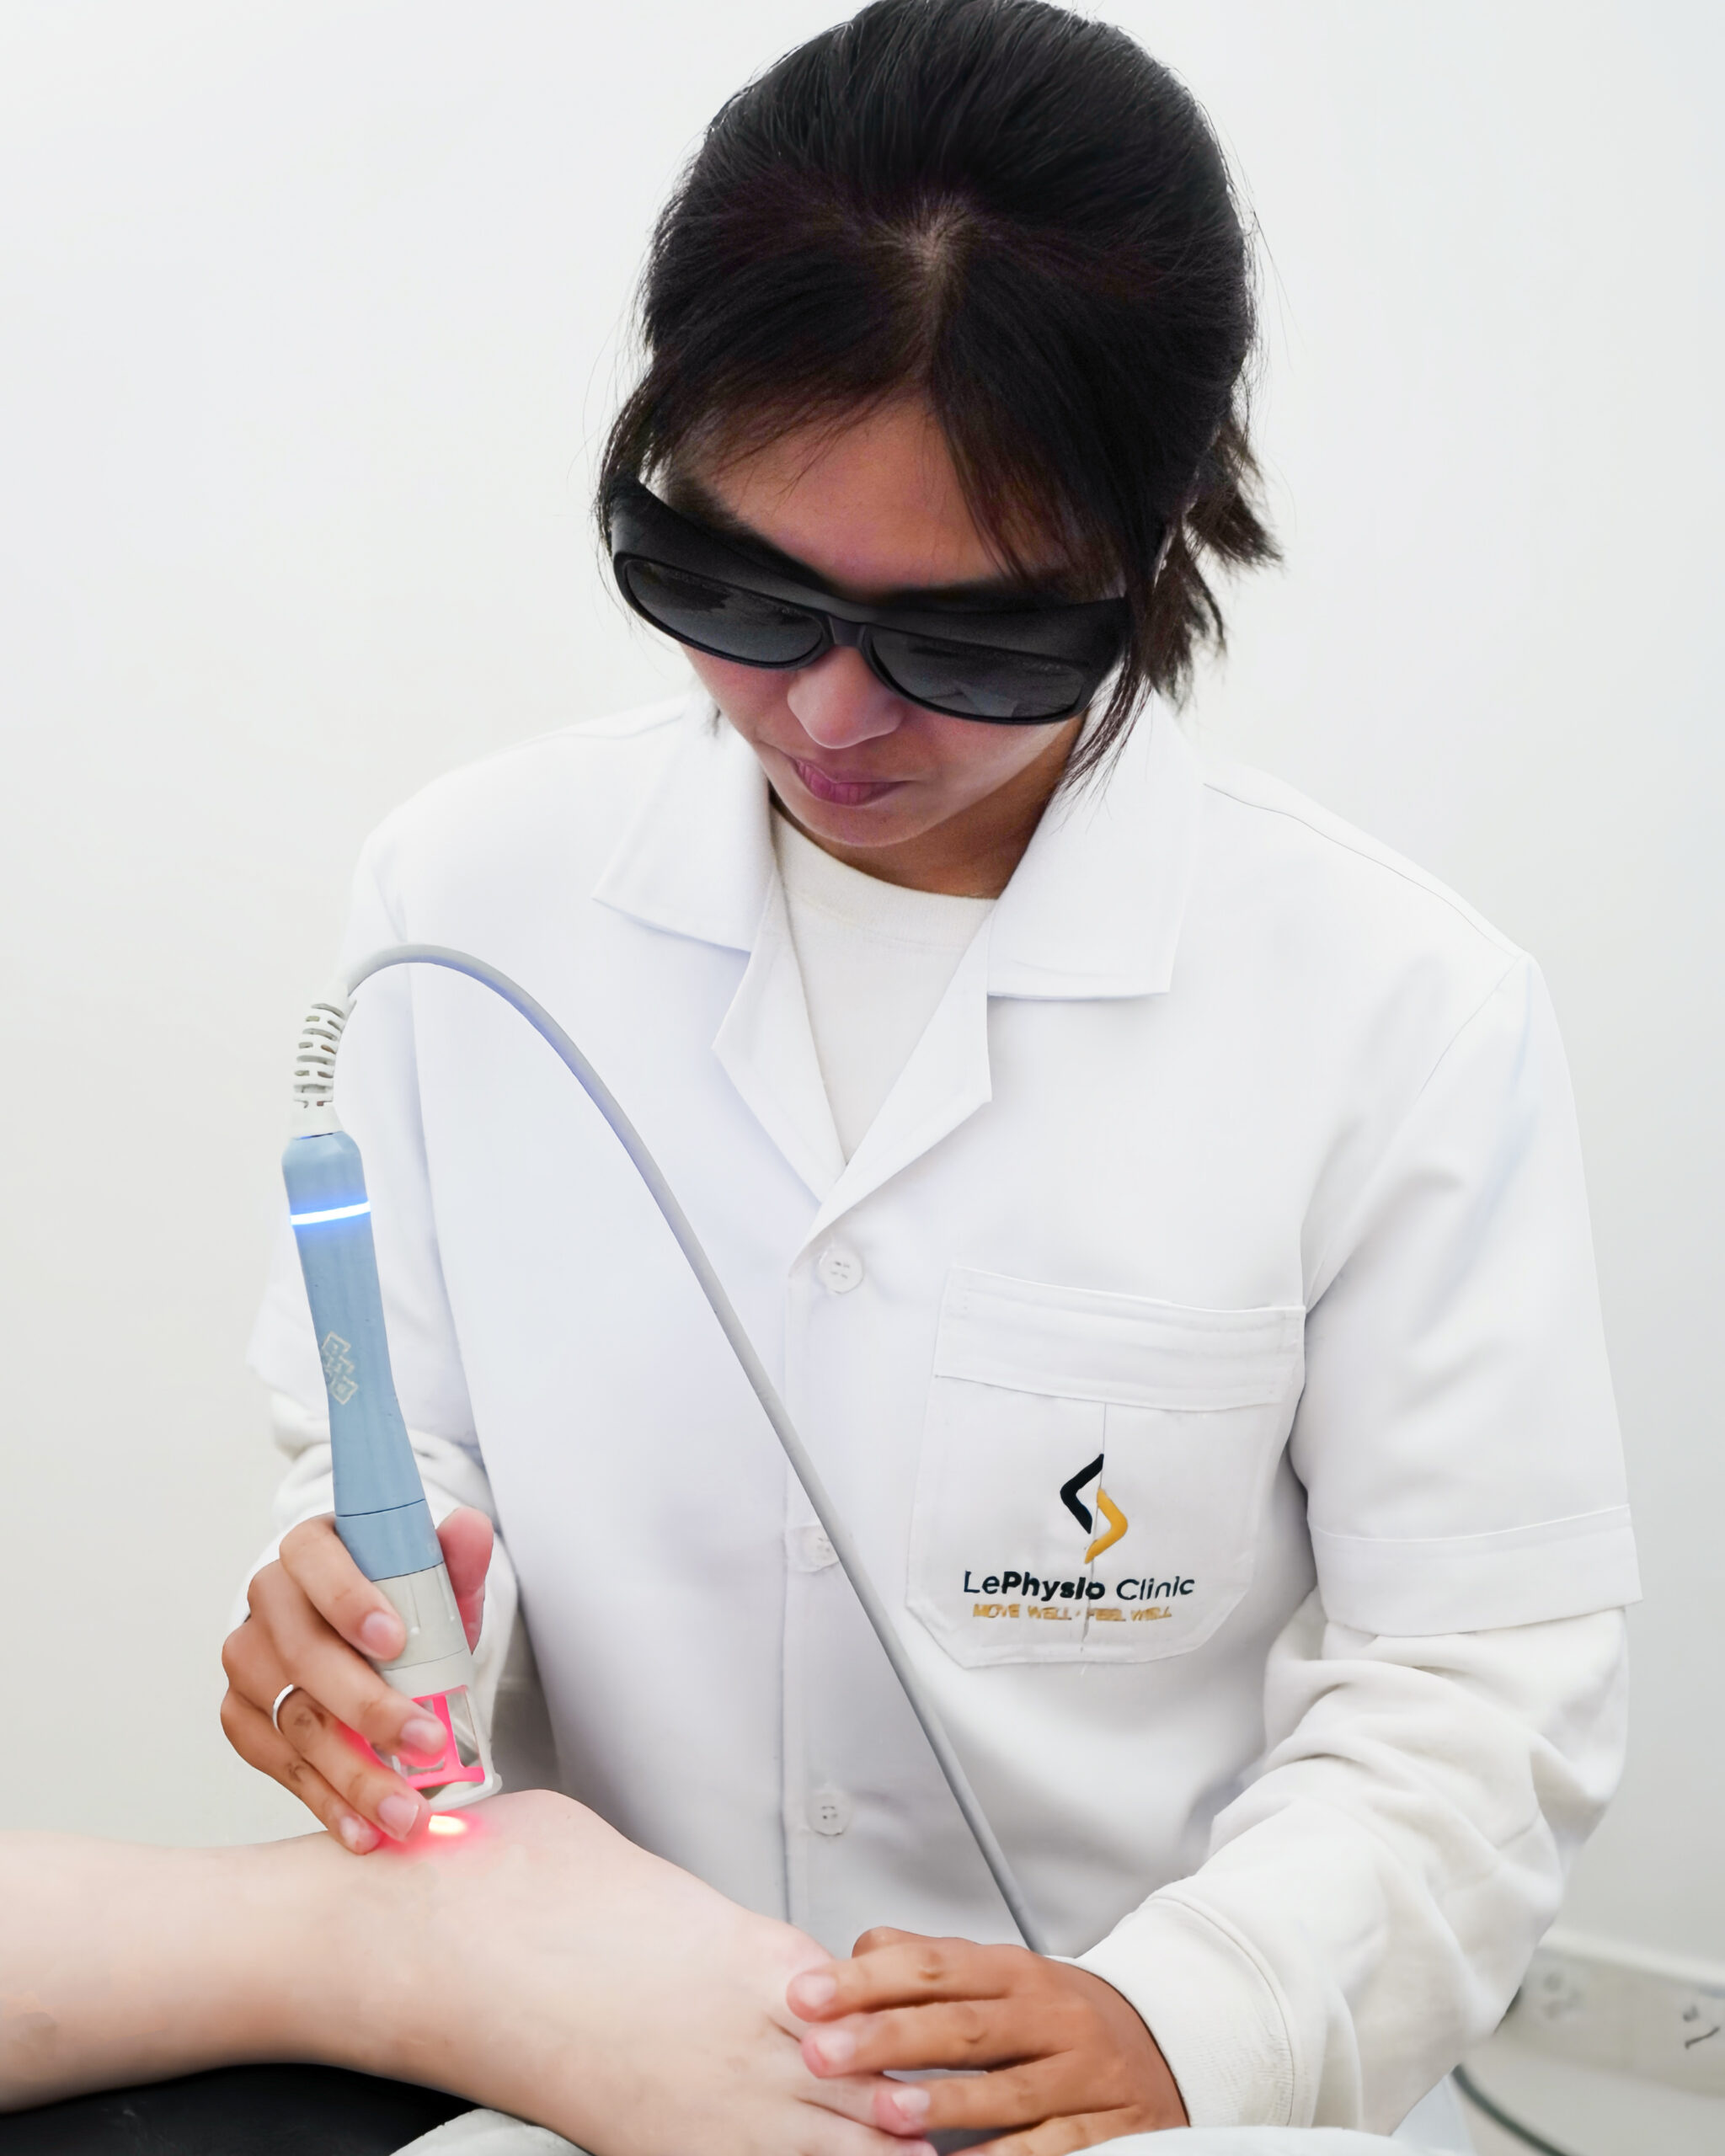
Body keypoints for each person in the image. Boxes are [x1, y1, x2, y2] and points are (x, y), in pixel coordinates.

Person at [220, 1, 1637, 2145]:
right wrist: (345, 1607)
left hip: (1164, 2098)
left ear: (1159, 542)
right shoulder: (467, 898)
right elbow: (386, 1446)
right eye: (733, 588)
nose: (830, 714)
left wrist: (1194, 2016)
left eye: (966, 639)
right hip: (620, 2070)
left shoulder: (1392, 1007)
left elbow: (1478, 1680)